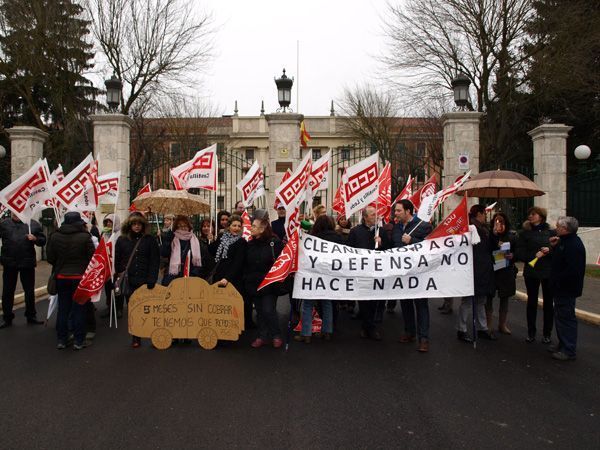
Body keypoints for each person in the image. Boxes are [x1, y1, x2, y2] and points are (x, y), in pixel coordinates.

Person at [46, 212, 94, 350]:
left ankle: (62, 339)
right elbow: (92, 258)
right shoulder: (85, 237)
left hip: (61, 277)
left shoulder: (54, 236)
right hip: (80, 277)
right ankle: (79, 341)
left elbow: (50, 258)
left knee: (63, 309)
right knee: (79, 309)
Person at [391, 200, 432, 352]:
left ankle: (424, 338)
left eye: (398, 211)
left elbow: (431, 247)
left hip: (418, 273)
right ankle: (410, 332)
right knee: (406, 304)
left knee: (421, 305)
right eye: (395, 211)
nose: (395, 213)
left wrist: (412, 241)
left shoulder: (423, 226)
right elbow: (392, 246)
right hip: (402, 274)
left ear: (408, 211)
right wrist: (381, 242)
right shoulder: (396, 227)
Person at [115, 212, 160, 348]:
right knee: (133, 310)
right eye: (134, 224)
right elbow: (117, 260)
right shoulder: (122, 240)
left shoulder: (149, 240)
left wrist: (152, 278)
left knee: (148, 310)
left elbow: (154, 261)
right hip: (129, 281)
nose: (136, 227)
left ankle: (152, 334)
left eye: (139, 224)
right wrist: (121, 272)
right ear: (129, 225)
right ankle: (136, 336)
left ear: (143, 225)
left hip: (145, 280)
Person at [294, 215, 342, 343]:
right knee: (327, 303)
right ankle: (327, 332)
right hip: (329, 275)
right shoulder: (337, 238)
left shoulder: (312, 238)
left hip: (312, 274)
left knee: (308, 304)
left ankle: (306, 334)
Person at [347, 206, 389, 340]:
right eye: (372, 214)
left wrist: (381, 243)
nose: (376, 216)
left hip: (377, 272)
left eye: (376, 213)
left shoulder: (381, 231)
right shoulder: (355, 231)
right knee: (364, 301)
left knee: (374, 301)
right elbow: (349, 249)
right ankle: (369, 328)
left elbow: (390, 250)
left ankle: (368, 327)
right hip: (361, 272)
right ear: (365, 217)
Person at [516, 206, 556, 344]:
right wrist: (534, 255)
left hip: (548, 271)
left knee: (548, 303)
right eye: (530, 214)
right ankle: (531, 332)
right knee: (532, 302)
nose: (530, 216)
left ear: (541, 216)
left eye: (534, 214)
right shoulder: (525, 233)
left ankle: (547, 333)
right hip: (531, 271)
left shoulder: (552, 232)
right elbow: (520, 253)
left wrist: (549, 250)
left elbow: (557, 250)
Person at [547, 216, 586, 361]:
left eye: (558, 226)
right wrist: (554, 246)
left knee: (566, 318)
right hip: (561, 287)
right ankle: (563, 344)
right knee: (561, 316)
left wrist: (557, 281)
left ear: (565, 229)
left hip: (566, 288)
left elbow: (572, 270)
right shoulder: (565, 241)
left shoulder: (573, 245)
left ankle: (568, 349)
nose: (555, 228)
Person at [456, 205, 496, 342]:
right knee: (467, 301)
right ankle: (461, 329)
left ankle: (482, 328)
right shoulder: (470, 228)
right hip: (472, 269)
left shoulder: (485, 228)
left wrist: (495, 234)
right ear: (479, 214)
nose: (486, 216)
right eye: (484, 214)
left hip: (484, 269)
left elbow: (491, 247)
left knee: (481, 300)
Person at [242, 216, 284, 348]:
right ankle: (262, 336)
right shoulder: (250, 244)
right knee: (259, 311)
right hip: (254, 283)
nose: (251, 228)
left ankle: (276, 335)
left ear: (262, 229)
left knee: (268, 310)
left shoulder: (274, 243)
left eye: (254, 226)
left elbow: (280, 262)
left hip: (269, 284)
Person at [0, 212, 46, 328]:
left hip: (27, 262)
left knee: (29, 291)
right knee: (7, 291)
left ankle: (31, 316)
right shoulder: (4, 224)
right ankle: (7, 317)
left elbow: (42, 240)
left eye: (18, 211)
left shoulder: (33, 224)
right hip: (9, 263)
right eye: (12, 211)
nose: (15, 214)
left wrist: (35, 238)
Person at [212, 215, 251, 326]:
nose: (237, 228)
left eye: (239, 226)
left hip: (233, 278)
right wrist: (211, 240)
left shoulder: (241, 242)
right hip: (219, 275)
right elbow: (213, 252)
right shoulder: (222, 238)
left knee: (231, 305)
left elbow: (238, 263)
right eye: (234, 225)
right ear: (229, 226)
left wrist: (227, 278)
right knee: (220, 305)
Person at [486, 212, 517, 335]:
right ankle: (488, 324)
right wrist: (494, 237)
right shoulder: (489, 235)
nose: (499, 225)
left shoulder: (511, 236)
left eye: (501, 222)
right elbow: (486, 249)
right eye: (496, 222)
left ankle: (502, 324)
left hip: (506, 271)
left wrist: (513, 255)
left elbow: (517, 251)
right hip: (491, 271)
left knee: (505, 298)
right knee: (489, 297)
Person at [161, 215, 206, 285]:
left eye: (185, 226)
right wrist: (168, 240)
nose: (183, 228)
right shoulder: (172, 238)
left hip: (191, 277)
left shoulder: (196, 240)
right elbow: (164, 253)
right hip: (174, 277)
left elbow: (201, 259)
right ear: (176, 227)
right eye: (180, 226)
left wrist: (194, 274)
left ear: (189, 227)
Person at [99, 214, 121, 319]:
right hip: (107, 264)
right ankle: (110, 307)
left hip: (116, 265)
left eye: (110, 222)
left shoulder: (120, 234)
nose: (108, 224)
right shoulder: (104, 234)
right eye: (107, 222)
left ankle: (119, 308)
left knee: (117, 288)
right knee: (108, 288)